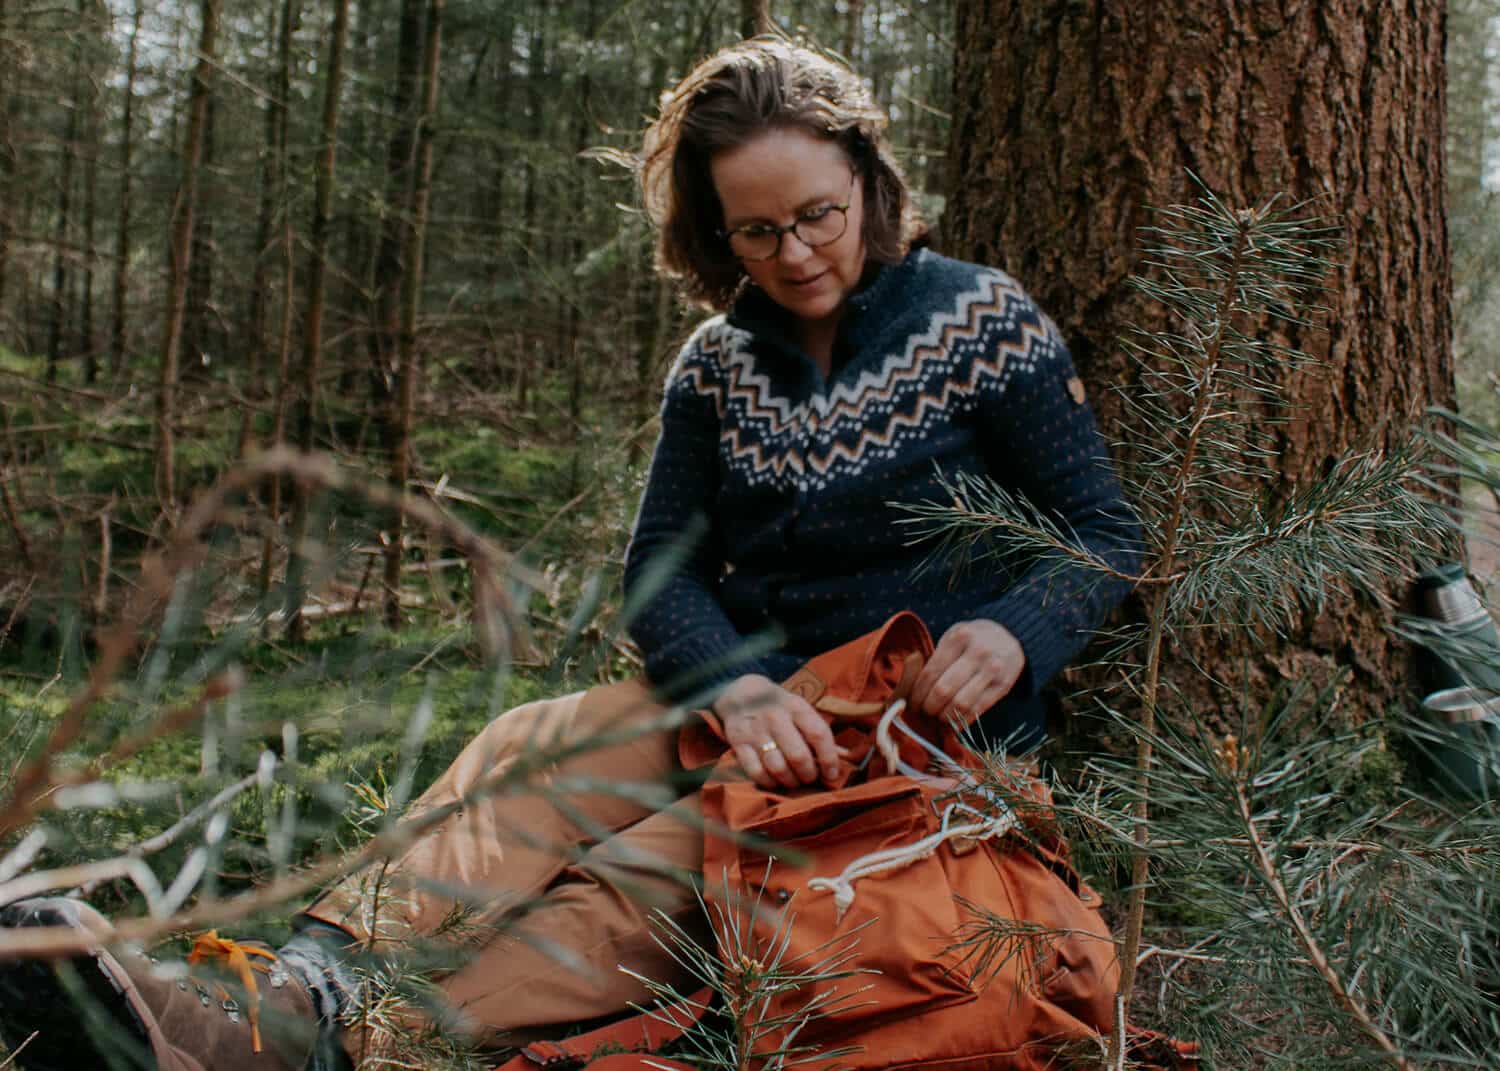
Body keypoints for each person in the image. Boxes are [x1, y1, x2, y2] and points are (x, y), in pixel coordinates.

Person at [0, 37, 1137, 1071]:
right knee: (528, 745)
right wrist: (735, 689)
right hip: (747, 706)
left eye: (820, 216)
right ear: (712, 230)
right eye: (756, 231)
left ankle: (335, 1051)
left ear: (870, 182)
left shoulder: (981, 322)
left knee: (669, 864)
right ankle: (301, 990)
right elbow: (663, 572)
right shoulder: (715, 365)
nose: (796, 255)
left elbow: (1102, 533)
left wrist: (1015, 631)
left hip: (908, 742)